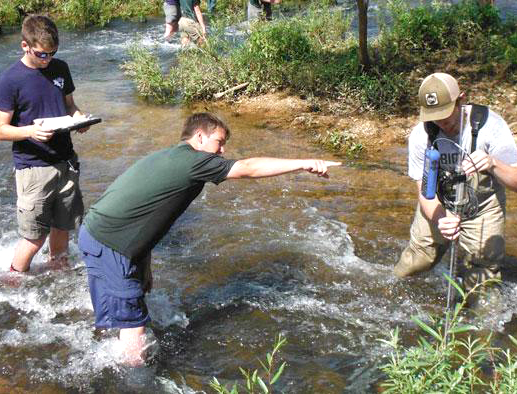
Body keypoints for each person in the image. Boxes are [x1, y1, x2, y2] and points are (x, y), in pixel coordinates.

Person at [78, 112, 340, 365]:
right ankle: (133, 381)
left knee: (117, 316)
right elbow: (247, 168)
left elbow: (142, 212)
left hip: (98, 234)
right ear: (200, 137)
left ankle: (95, 352)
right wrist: (304, 163)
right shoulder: (194, 161)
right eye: (220, 142)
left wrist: (142, 262)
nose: (222, 151)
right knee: (134, 334)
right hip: (112, 245)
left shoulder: (170, 156)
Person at [394, 73, 517, 292]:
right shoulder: (421, 136)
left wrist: (492, 163)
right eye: (434, 116)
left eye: (445, 114)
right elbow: (424, 192)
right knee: (418, 261)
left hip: (482, 208)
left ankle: (480, 323)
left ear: (461, 100)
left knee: (480, 279)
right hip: (439, 202)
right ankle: (394, 292)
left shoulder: (490, 126)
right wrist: (440, 219)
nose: (441, 122)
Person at [0, 14, 89, 273]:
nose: (47, 60)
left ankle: (58, 272)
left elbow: (70, 106)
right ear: (25, 45)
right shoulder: (9, 80)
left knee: (62, 227)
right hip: (33, 167)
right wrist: (30, 132)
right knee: (34, 237)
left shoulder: (61, 68)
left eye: (52, 53)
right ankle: (13, 281)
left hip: (66, 162)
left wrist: (80, 119)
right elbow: (0, 131)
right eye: (41, 54)